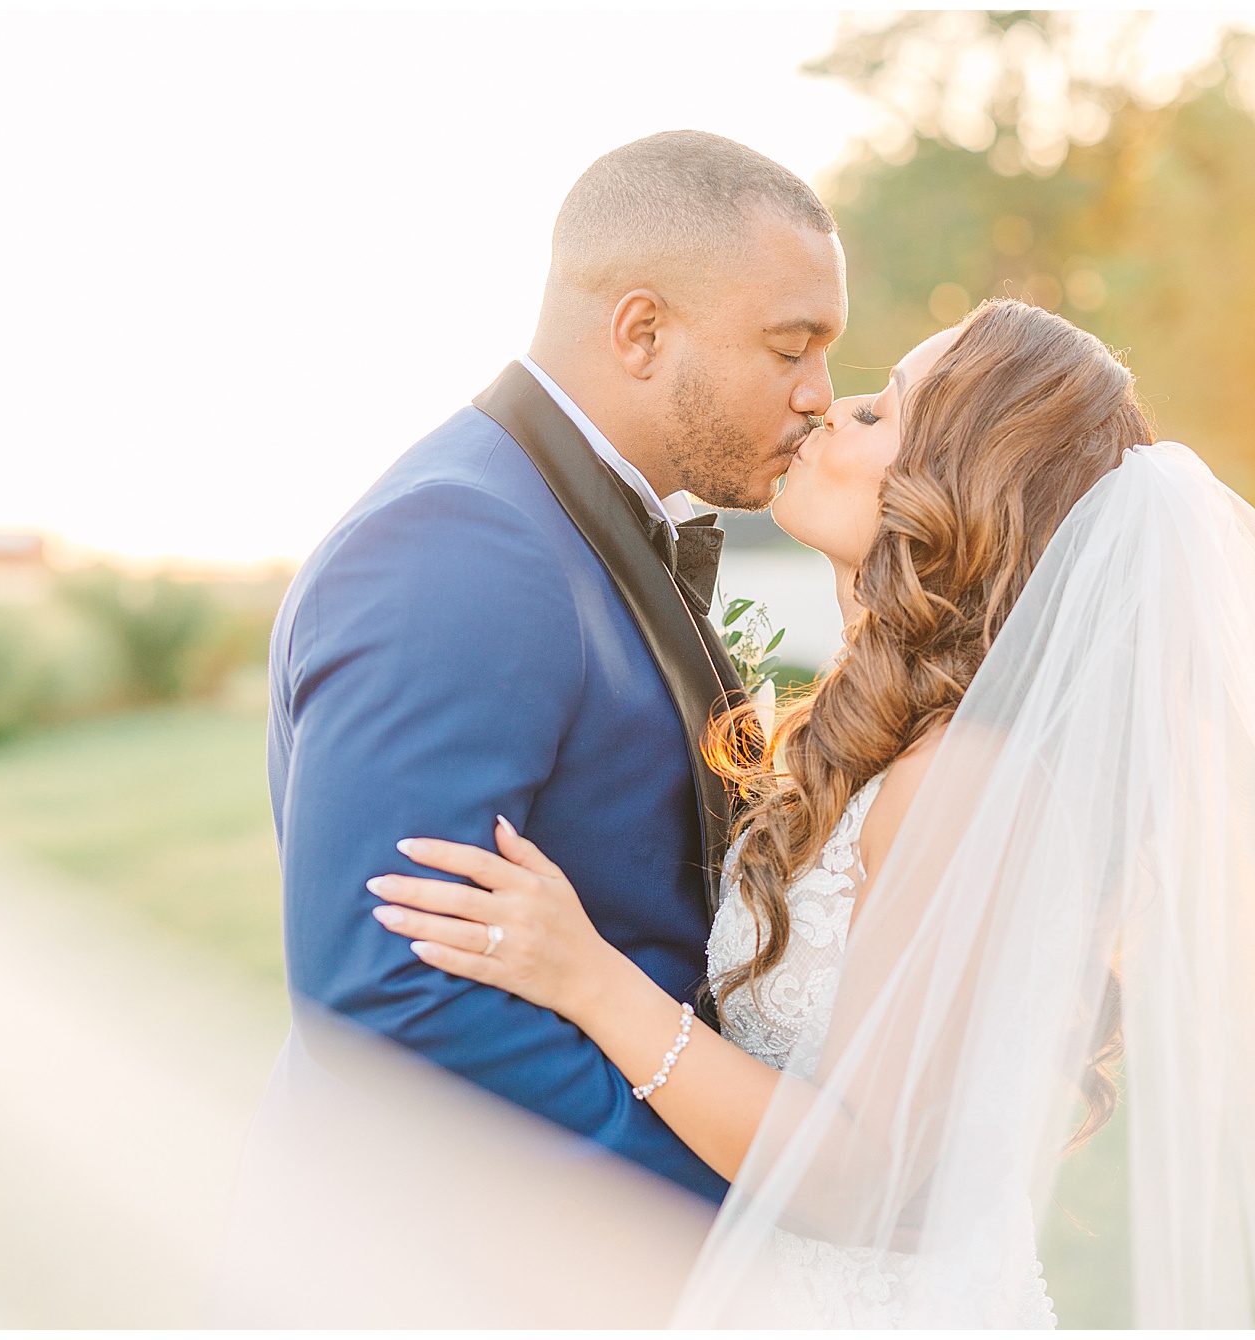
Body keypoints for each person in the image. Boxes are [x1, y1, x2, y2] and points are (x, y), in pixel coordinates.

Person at [368, 299, 1255, 1328]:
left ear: (955, 482)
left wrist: (585, 976)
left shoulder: (970, 776)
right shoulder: (898, 753)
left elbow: (864, 1175)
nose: (821, 408)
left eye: (877, 408)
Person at [264, 129, 844, 1204]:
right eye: (787, 346)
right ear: (639, 330)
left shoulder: (563, 522)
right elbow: (384, 995)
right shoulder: (460, 539)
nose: (817, 392)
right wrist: (721, 1203)